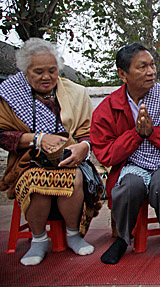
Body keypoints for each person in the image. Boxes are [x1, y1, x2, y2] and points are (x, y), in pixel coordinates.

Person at [90, 43, 160, 264]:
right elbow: (105, 154)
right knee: (130, 185)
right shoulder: (109, 107)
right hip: (131, 164)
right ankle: (122, 238)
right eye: (142, 67)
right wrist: (136, 135)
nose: (151, 72)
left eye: (152, 65)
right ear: (123, 74)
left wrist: (153, 133)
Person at [0, 38, 101, 266]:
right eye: (38, 71)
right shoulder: (10, 94)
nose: (46, 77)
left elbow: (89, 132)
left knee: (73, 179)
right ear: (26, 72)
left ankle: (73, 234)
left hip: (70, 158)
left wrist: (83, 147)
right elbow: (2, 134)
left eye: (52, 70)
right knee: (37, 182)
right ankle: (38, 239)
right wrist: (38, 139)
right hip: (29, 160)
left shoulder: (75, 93)